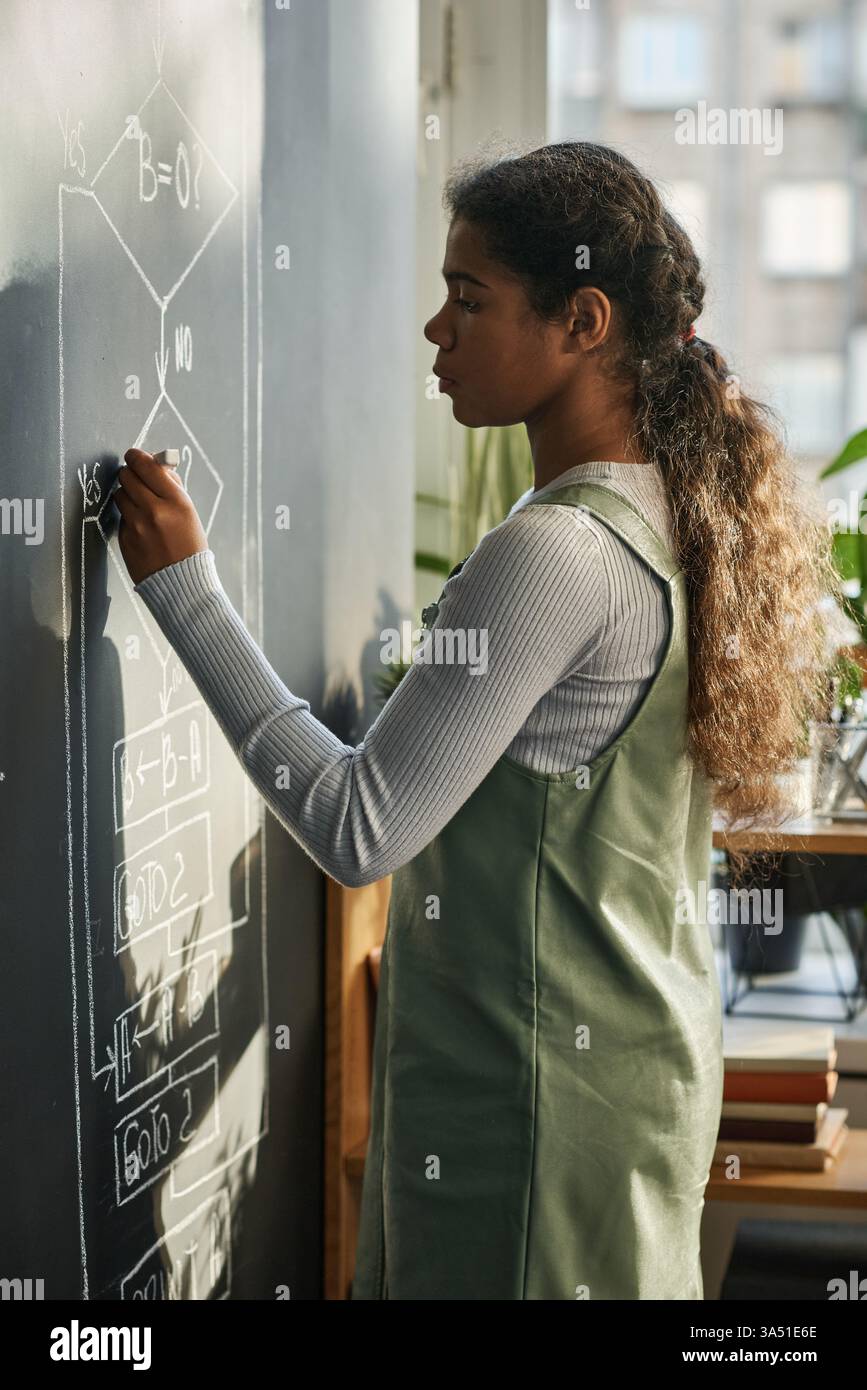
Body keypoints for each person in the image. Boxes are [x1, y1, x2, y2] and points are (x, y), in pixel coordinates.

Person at [115, 141, 837, 1299]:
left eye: (469, 299)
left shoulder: (555, 552)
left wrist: (183, 592)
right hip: (624, 1071)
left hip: (531, 1102)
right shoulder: (670, 517)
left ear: (582, 320)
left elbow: (361, 824)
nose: (434, 333)